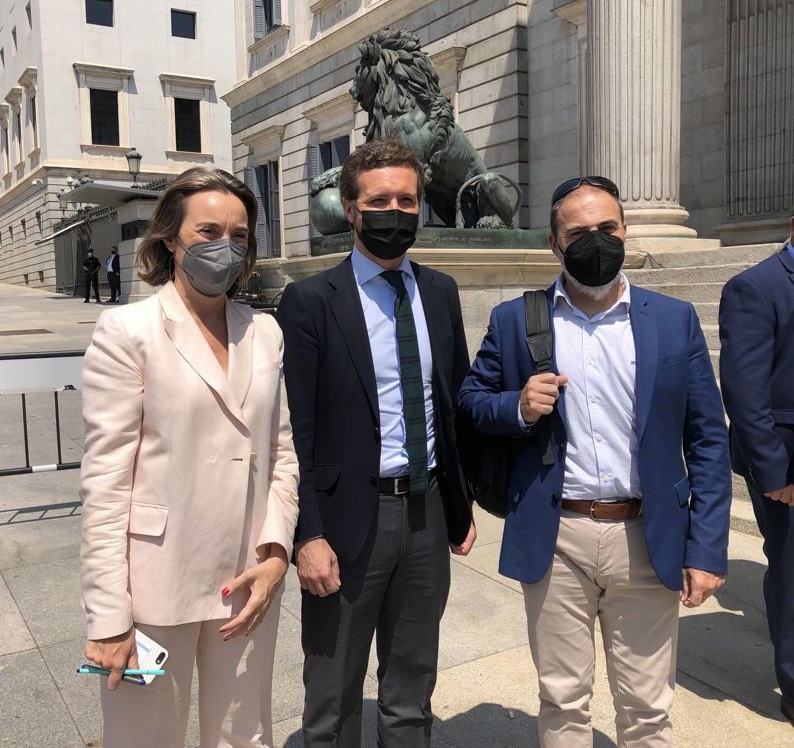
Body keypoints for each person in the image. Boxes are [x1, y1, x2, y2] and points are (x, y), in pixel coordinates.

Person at [458, 175, 732, 747]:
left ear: (625, 231)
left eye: (607, 228)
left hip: (646, 535)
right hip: (558, 536)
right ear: (555, 243)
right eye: (579, 232)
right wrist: (519, 406)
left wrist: (706, 549)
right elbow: (471, 404)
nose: (597, 240)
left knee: (648, 708)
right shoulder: (517, 320)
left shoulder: (673, 320)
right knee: (562, 700)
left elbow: (707, 439)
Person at [79, 167, 299, 748]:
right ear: (171, 239)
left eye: (240, 234)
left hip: (246, 580)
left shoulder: (266, 333)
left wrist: (277, 552)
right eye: (207, 231)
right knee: (143, 736)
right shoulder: (128, 331)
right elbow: (104, 485)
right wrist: (108, 617)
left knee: (243, 735)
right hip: (153, 587)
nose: (224, 246)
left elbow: (281, 451)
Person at [277, 139, 476, 747]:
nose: (396, 211)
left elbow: (454, 401)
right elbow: (295, 433)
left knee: (412, 688)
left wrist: (460, 504)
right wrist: (305, 534)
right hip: (344, 522)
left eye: (408, 200)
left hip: (426, 510)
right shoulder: (310, 301)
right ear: (352, 208)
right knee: (333, 695)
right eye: (380, 200)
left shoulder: (439, 291)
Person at [719, 217, 794, 726]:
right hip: (785, 464)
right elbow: (745, 397)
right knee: (792, 575)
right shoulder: (754, 287)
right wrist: (776, 475)